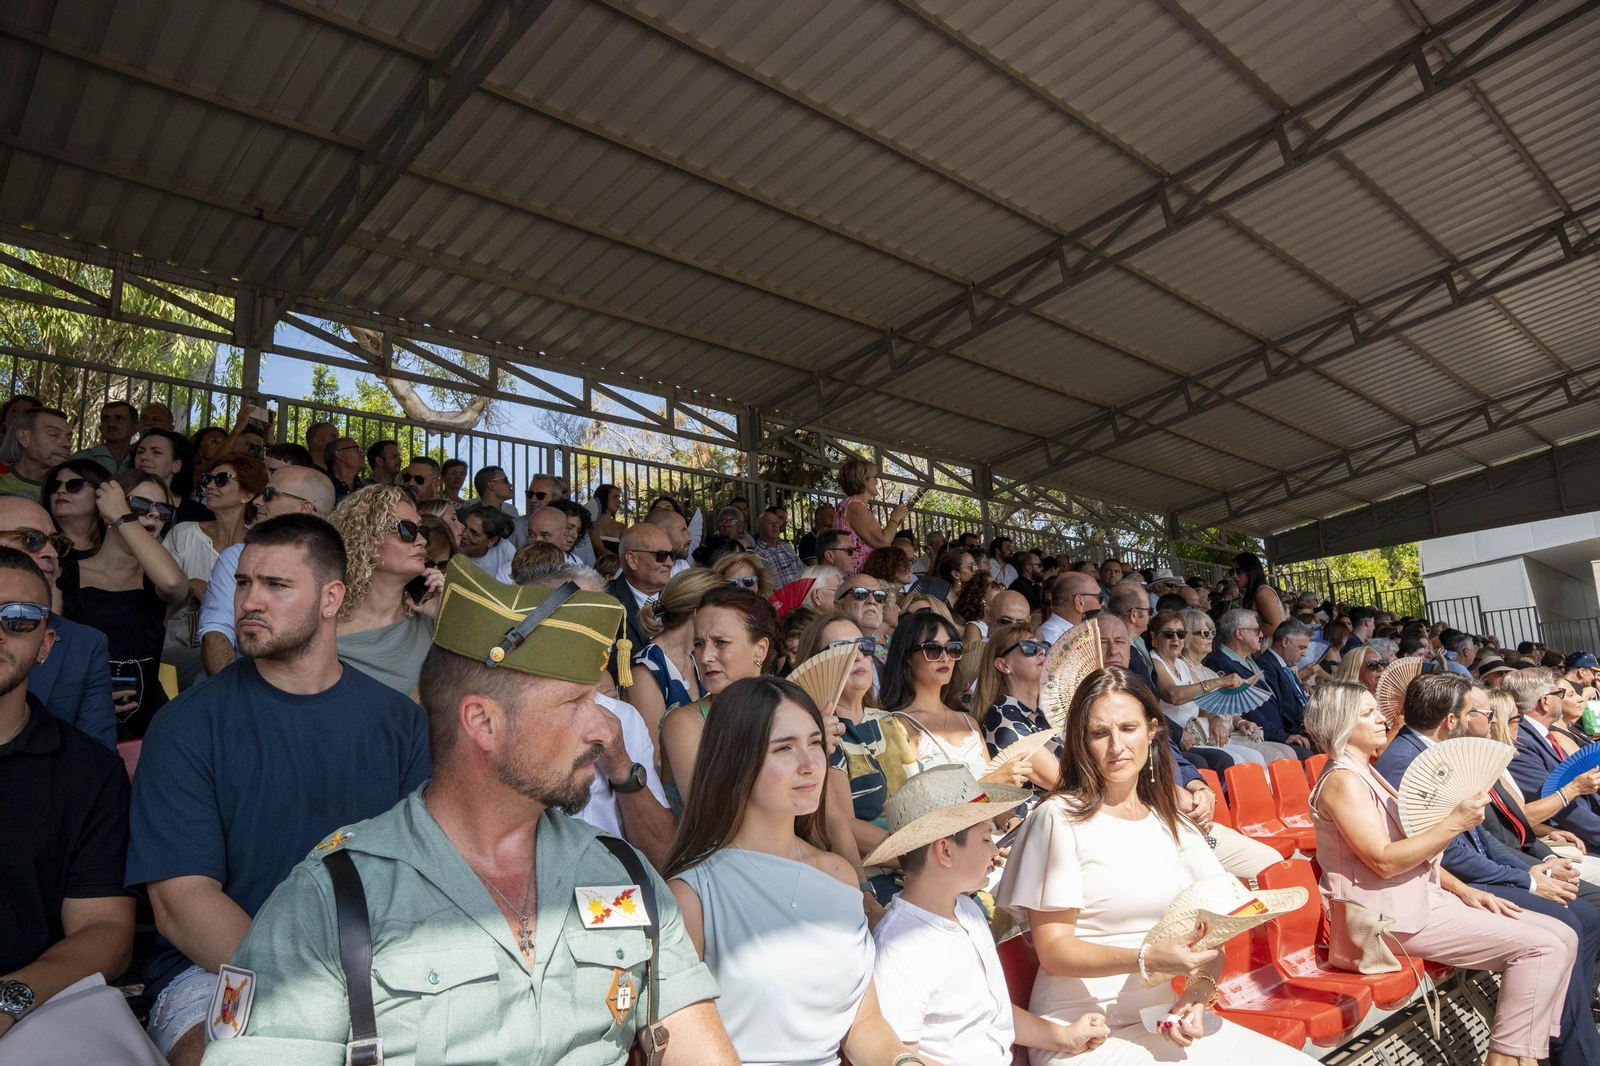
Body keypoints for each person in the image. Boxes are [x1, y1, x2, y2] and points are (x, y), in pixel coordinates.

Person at [198, 554, 737, 1065]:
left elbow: (699, 1045)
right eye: (574, 704)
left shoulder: (623, 874)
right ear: (482, 722)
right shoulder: (336, 898)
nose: (603, 729)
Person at [124, 515, 432, 1065]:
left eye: (276, 585)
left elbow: (421, 873)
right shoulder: (188, 724)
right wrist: (323, 994)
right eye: (243, 583)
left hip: (377, 964)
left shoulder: (400, 723)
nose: (249, 602)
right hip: (215, 969)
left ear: (332, 598)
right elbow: (182, 903)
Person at [995, 667, 1311, 1065]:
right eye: (1099, 733)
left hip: (1162, 1021)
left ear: (1152, 731)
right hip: (1081, 1032)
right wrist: (1148, 958)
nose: (1116, 746)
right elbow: (1055, 952)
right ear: (1080, 741)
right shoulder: (1057, 819)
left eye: (1128, 728)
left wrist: (1197, 995)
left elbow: (1211, 941)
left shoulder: (1174, 824)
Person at [1305, 681, 1579, 1066]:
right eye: (1367, 714)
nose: (1382, 718)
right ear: (1341, 725)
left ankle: (1523, 1056)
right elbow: (1383, 860)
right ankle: (1506, 1060)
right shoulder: (1343, 781)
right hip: (1386, 918)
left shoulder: (1363, 773)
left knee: (1563, 934)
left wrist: (1464, 888)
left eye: (1375, 710)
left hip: (1420, 899)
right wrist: (1454, 823)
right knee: (1543, 947)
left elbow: (1407, 857)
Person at [665, 675, 922, 1066]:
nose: (810, 765)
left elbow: (864, 1023)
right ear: (736, 761)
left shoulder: (838, 874)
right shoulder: (692, 895)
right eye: (784, 748)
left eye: (815, 743)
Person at [1373, 673, 1600, 1066]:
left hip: (1482, 871)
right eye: (1473, 712)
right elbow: (1451, 855)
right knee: (1572, 918)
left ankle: (1568, 1036)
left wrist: (1536, 872)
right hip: (1457, 885)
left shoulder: (1434, 752)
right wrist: (1526, 881)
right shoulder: (1406, 763)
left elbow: (1485, 838)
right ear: (1450, 720)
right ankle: (1572, 1049)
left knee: (1584, 918)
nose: (1485, 720)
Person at [0, 548, 159, 1063]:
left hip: (31, 1005)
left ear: (45, 645)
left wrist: (10, 999)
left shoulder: (87, 772)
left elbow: (105, 930)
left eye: (18, 618)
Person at [869, 766, 1107, 1066]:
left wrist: (1063, 1037)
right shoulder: (899, 949)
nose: (995, 848)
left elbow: (991, 1012)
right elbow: (901, 1053)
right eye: (984, 839)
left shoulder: (967, 910)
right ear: (945, 851)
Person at [515, 561, 676, 867]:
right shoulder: (499, 718)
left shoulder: (624, 718)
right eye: (579, 619)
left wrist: (621, 767)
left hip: (614, 894)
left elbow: (663, 854)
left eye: (604, 620)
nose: (602, 637)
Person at [57, 470, 188, 736]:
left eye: (163, 510)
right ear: (107, 510)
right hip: (76, 720)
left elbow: (174, 584)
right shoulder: (63, 573)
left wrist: (123, 516)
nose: (153, 514)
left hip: (148, 726)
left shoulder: (160, 579)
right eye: (139, 505)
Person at [195, 465, 336, 675]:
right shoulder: (237, 557)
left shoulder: (343, 563)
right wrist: (235, 697)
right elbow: (216, 633)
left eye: (270, 495)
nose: (257, 501)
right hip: (248, 682)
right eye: (245, 583)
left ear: (305, 508)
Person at [0, 497, 116, 747]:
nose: (51, 553)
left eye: (54, 542)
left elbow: (97, 760)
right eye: (31, 539)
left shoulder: (85, 644)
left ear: (46, 643)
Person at [659, 585, 780, 811]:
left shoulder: (788, 708)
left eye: (720, 643)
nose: (705, 657)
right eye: (698, 644)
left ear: (761, 649)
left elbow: (831, 817)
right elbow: (709, 810)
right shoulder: (684, 723)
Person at [880, 609, 1024, 788]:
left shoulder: (969, 721)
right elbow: (919, 803)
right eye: (932, 650)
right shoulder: (895, 725)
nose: (945, 657)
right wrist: (992, 781)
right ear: (908, 656)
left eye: (952, 648)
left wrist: (1011, 816)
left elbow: (997, 803)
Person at [328, 485, 443, 695]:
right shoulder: (321, 627)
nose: (422, 541)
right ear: (366, 539)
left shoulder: (432, 617)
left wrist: (446, 616)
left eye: (423, 531)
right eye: (408, 530)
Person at [161, 457, 268, 671]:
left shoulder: (260, 548)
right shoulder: (184, 533)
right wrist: (189, 583)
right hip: (178, 644)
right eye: (207, 479)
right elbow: (157, 594)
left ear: (248, 494)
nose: (209, 485)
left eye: (221, 479)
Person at [1148, 608, 1271, 768]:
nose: (1176, 639)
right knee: (1233, 762)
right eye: (1168, 634)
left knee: (1254, 758)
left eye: (1181, 634)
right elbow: (1173, 695)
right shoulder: (1155, 660)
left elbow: (1201, 704)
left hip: (1197, 736)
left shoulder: (1179, 664)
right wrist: (1219, 682)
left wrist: (1219, 719)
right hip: (1174, 738)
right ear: (1154, 637)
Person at [1178, 609, 1296, 764]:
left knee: (1287, 752)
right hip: (1202, 736)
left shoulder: (1208, 671)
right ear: (1186, 636)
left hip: (1228, 733)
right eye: (1205, 633)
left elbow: (1230, 709)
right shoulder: (1180, 668)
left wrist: (1241, 722)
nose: (1212, 637)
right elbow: (1193, 704)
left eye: (1213, 632)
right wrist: (1214, 718)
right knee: (1266, 756)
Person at [630, 567, 722, 747]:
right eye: (722, 610)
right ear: (698, 612)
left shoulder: (699, 657)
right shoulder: (645, 670)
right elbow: (654, 758)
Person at [1205, 608, 1311, 755]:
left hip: (1278, 731)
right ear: (1239, 633)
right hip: (1260, 735)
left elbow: (1274, 703)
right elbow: (1246, 709)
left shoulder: (1251, 661)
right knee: (1304, 753)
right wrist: (1282, 736)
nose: (1261, 635)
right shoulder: (1220, 663)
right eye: (1256, 630)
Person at [977, 622, 1059, 790]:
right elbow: (1062, 782)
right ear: (1003, 665)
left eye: (1043, 646)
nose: (1042, 652)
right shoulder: (1003, 718)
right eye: (1028, 647)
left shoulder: (1039, 715)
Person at [609, 521, 675, 682]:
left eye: (672, 555)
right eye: (661, 555)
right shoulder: (605, 601)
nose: (669, 563)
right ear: (632, 559)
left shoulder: (681, 598)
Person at [836, 460, 909, 573]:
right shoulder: (855, 506)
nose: (876, 481)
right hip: (860, 574)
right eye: (873, 477)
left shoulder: (848, 505)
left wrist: (895, 523)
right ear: (863, 480)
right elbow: (882, 541)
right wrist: (894, 519)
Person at [134, 428, 211, 524]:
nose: (144, 457)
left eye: (156, 452)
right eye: (140, 451)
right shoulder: (121, 502)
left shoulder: (200, 515)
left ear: (176, 465)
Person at [0, 408, 74, 501]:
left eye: (69, 438)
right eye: (54, 434)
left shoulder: (73, 488)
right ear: (24, 438)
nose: (67, 444)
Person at [42, 457, 110, 554]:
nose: (60, 490)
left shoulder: (118, 545)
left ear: (100, 492)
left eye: (74, 485)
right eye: (55, 485)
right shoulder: (36, 542)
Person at [72, 399, 138, 474]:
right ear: (101, 429)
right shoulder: (81, 459)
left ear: (134, 429)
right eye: (106, 419)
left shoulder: (140, 461)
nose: (111, 424)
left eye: (119, 418)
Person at [1229, 552, 1283, 643]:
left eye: (1239, 571)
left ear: (1251, 571)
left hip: (1267, 649)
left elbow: (1276, 627)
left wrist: (1243, 632)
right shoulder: (1251, 593)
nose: (1234, 575)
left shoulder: (1263, 593)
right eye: (1232, 571)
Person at [458, 503, 516, 581]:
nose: (464, 535)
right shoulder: (451, 544)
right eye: (464, 525)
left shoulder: (505, 551)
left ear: (491, 541)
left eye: (474, 533)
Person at [1039, 571, 1097, 645]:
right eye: (1099, 598)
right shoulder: (1050, 639)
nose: (1102, 603)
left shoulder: (1080, 630)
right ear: (1079, 602)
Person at [645, 505, 693, 577]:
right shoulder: (640, 569)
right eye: (683, 530)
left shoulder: (681, 565)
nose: (689, 538)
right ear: (662, 532)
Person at [323, 436, 368, 501]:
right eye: (357, 450)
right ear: (340, 455)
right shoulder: (323, 486)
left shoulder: (364, 488)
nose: (363, 454)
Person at [590, 483, 626, 556]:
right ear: (604, 498)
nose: (619, 501)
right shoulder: (592, 524)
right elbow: (599, 550)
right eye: (615, 497)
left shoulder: (622, 527)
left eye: (618, 498)